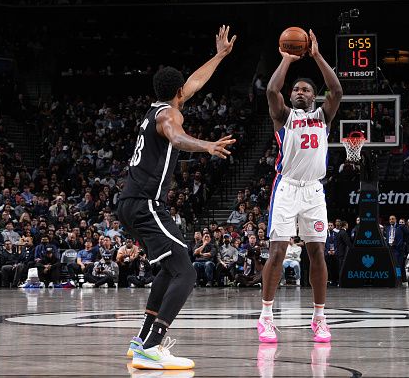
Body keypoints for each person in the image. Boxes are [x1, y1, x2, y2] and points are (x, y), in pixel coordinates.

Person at [116, 25, 236, 370]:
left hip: (133, 203)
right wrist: (207, 146)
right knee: (187, 271)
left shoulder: (158, 106)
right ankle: (152, 346)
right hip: (145, 203)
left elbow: (196, 81)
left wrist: (220, 55)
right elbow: (177, 137)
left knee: (171, 269)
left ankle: (142, 339)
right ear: (179, 92)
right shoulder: (169, 115)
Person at [259, 29, 343, 344]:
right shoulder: (284, 117)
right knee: (278, 250)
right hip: (287, 186)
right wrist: (286, 60)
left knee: (317, 251)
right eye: (296, 88)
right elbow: (271, 90)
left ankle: (319, 318)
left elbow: (336, 89)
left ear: (313, 96)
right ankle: (265, 317)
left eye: (305, 89)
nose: (299, 91)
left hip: (313, 191)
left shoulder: (323, 116)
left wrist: (317, 55)